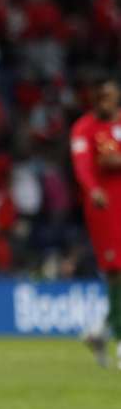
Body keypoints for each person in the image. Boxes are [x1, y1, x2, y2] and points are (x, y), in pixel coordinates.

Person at [71, 75, 121, 368]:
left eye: (110, 97)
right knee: (116, 272)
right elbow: (83, 167)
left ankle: (100, 331)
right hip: (105, 208)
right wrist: (94, 190)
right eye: (101, 98)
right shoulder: (84, 129)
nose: (106, 103)